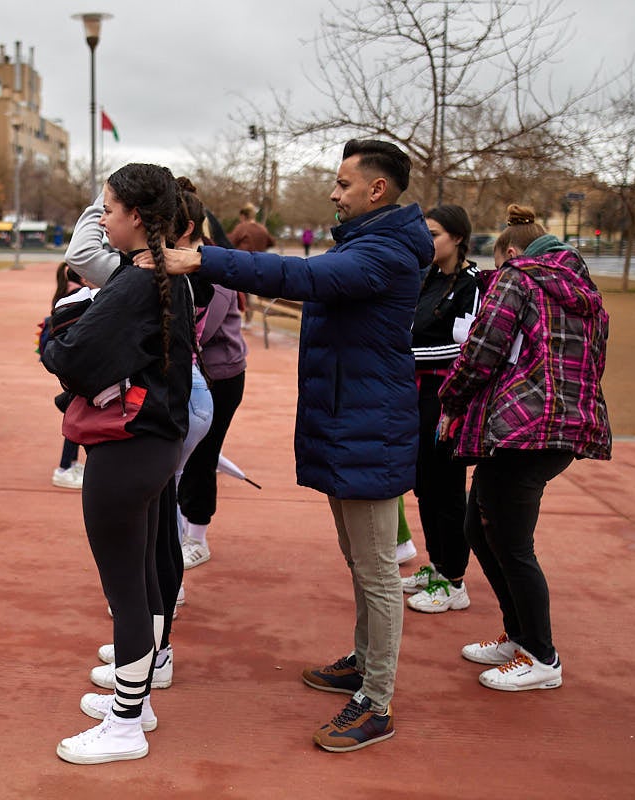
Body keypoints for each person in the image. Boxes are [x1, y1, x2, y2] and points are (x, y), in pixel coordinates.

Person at [142, 139, 433, 752]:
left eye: (343, 182)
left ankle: (376, 702)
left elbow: (300, 276)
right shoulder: (366, 241)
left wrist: (202, 259)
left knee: (378, 569)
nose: (333, 191)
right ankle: (363, 661)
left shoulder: (384, 250)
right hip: (346, 423)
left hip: (367, 428)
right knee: (360, 560)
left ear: (376, 190)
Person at [43, 163, 194, 765]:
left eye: (108, 208)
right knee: (146, 575)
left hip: (129, 447)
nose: (103, 219)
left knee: (126, 589)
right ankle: (139, 701)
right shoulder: (161, 274)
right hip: (153, 442)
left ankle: (127, 724)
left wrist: (56, 333)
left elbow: (71, 357)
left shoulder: (135, 282)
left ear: (137, 216)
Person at [440, 204, 611, 691]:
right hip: (563, 427)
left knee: (511, 543)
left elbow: (481, 349)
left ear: (512, 253)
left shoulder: (518, 278)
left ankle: (542, 655)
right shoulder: (588, 294)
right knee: (480, 526)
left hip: (524, 427)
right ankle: (520, 635)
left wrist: (451, 399)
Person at [402, 204, 483, 614]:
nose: (426, 242)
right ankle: (436, 565)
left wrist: (401, 355)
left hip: (449, 401)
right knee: (425, 484)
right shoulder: (425, 275)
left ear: (457, 237)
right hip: (416, 397)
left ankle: (454, 580)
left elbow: (464, 349)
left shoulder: (473, 284)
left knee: (447, 488)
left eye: (433, 234)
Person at [176, 208, 247, 570]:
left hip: (220, 376)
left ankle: (197, 537)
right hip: (196, 372)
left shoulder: (212, 271)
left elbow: (195, 333)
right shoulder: (185, 263)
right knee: (186, 459)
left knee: (201, 459)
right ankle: (185, 527)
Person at [46, 262, 87, 490]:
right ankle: (64, 467)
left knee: (76, 414)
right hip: (77, 366)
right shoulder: (77, 295)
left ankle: (69, 462)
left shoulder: (66, 291)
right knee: (76, 416)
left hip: (72, 365)